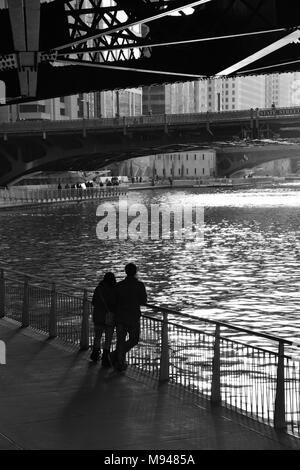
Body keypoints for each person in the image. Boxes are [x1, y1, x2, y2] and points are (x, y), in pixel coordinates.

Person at [113, 263, 147, 371]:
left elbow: (114, 301)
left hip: (120, 317)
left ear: (125, 271)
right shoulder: (139, 285)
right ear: (135, 272)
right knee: (134, 339)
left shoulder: (119, 285)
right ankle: (115, 356)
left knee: (120, 340)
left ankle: (119, 362)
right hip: (133, 317)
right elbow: (143, 301)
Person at [90, 272, 117, 367]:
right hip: (109, 317)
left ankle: (95, 353)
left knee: (97, 336)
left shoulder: (99, 288)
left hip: (98, 316)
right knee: (108, 338)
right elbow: (115, 303)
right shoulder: (114, 289)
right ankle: (106, 357)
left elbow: (93, 302)